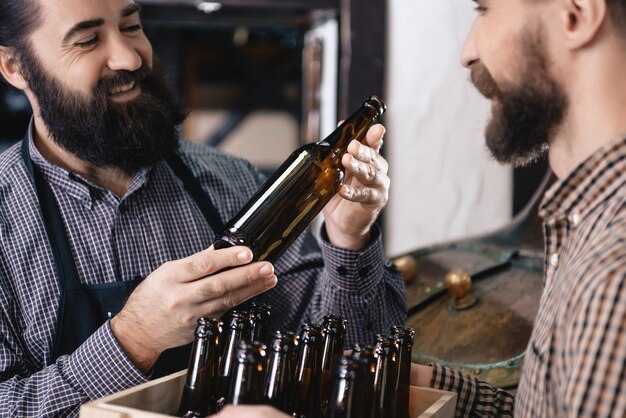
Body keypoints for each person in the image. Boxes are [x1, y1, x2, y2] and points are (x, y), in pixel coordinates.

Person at [216, 0, 626, 416]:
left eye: (484, 10)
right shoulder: (587, 218)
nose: (468, 51)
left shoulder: (615, 272)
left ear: (577, 15)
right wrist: (435, 388)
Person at [0, 0, 406, 416]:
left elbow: (349, 360)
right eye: (87, 40)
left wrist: (348, 239)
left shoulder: (233, 183)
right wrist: (134, 338)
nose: (128, 56)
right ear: (15, 66)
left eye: (132, 25)